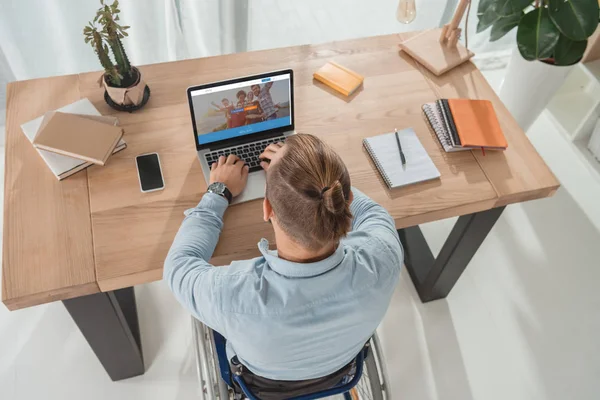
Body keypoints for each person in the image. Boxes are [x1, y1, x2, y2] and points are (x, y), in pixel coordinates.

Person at [164, 134, 402, 392]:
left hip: (262, 384)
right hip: (341, 369)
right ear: (347, 202)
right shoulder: (383, 257)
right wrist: (308, 173)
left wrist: (219, 192)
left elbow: (179, 263)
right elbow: (372, 213)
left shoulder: (230, 295)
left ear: (267, 210)